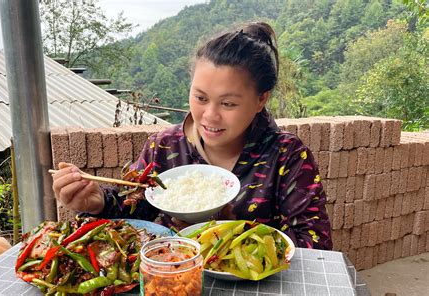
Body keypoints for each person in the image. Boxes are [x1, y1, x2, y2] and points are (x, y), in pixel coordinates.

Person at [53, 22, 332, 250]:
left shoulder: (288, 155)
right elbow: (136, 208)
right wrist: (97, 201)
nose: (209, 115)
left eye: (228, 104)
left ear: (261, 99)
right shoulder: (164, 146)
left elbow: (316, 242)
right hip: (172, 279)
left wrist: (226, 245)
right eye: (200, 97)